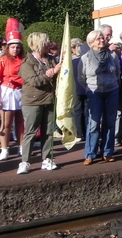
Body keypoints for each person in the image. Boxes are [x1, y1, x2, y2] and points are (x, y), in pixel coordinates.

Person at [18, 32, 62, 174]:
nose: (49, 44)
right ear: (38, 44)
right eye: (46, 42)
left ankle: (47, 159)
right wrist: (51, 73)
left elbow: (60, 75)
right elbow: (34, 81)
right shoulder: (27, 62)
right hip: (32, 101)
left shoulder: (50, 59)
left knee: (48, 132)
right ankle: (25, 161)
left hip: (49, 99)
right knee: (30, 132)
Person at [79, 30, 121, 165]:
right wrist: (89, 88)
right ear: (91, 43)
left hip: (111, 91)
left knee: (110, 122)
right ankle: (90, 154)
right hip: (94, 93)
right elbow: (81, 77)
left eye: (102, 38)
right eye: (98, 39)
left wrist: (113, 84)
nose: (102, 40)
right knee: (94, 124)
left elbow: (118, 73)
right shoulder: (85, 58)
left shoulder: (112, 55)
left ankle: (107, 152)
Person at [0, 31, 25, 161]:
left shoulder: (24, 60)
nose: (15, 49)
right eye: (13, 47)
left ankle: (22, 147)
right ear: (8, 48)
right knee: (6, 123)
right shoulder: (3, 60)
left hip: (21, 92)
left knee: (21, 122)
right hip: (6, 92)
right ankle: (5, 149)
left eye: (18, 47)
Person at [70, 38, 88, 141]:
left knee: (87, 111)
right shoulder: (70, 60)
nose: (75, 49)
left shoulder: (85, 58)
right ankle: (79, 133)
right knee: (77, 111)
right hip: (76, 88)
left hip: (86, 87)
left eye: (77, 46)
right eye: (73, 47)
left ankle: (86, 133)